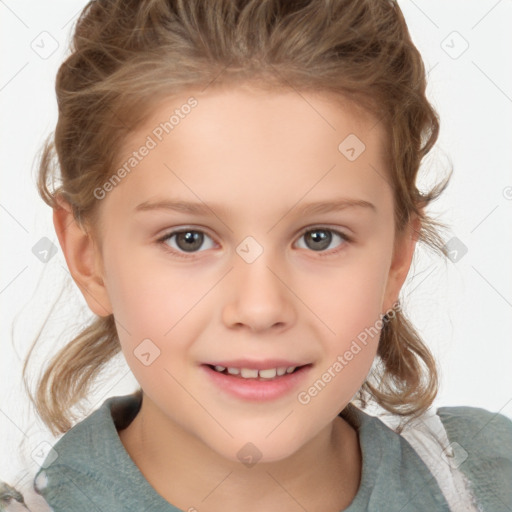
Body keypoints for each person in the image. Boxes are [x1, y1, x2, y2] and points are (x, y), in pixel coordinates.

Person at [15, 0, 511, 511]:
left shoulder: (491, 479)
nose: (259, 308)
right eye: (189, 239)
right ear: (87, 256)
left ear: (395, 258)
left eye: (320, 237)